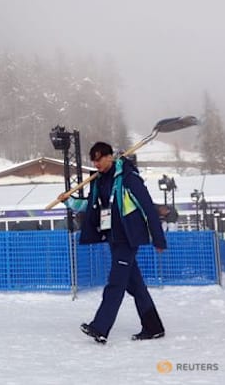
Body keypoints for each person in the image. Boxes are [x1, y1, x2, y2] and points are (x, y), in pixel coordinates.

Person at [59, 142, 167, 344]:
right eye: (93, 159)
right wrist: (69, 201)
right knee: (135, 286)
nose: (96, 163)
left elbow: (147, 207)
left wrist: (158, 238)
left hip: (127, 237)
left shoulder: (128, 178)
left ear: (110, 157)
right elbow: (90, 206)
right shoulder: (99, 181)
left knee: (116, 283)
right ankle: (153, 327)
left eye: (99, 158)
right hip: (112, 237)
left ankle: (100, 327)